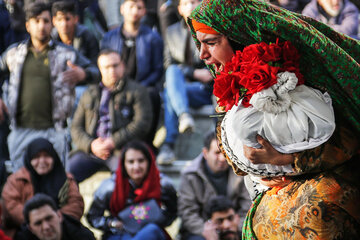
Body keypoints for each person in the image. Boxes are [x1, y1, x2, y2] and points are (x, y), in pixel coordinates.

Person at [188, 0, 360, 238]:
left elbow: (349, 139)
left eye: (211, 43)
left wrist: (285, 159)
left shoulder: (297, 74)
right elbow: (236, 150)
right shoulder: (229, 86)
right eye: (199, 44)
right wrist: (261, 169)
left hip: (331, 183)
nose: (202, 54)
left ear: (238, 37)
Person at [0, 1, 100, 171]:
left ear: (51, 23)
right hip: (21, 130)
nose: (42, 26)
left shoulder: (65, 53)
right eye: (36, 21)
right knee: (21, 181)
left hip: (54, 130)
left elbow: (97, 72)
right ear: (28, 25)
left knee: (58, 182)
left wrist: (84, 74)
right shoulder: (13, 54)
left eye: (46, 21)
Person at [69, 49, 153, 183]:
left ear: (123, 66)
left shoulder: (138, 91)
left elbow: (142, 124)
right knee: (66, 175)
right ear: (100, 69)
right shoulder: (89, 93)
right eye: (107, 67)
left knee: (125, 178)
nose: (112, 70)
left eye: (115, 65)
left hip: (122, 150)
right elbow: (75, 128)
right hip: (91, 151)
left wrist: (113, 141)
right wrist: (91, 145)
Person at [156, 0, 214, 165]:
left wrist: (206, 73)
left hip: (205, 89)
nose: (192, 6)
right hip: (182, 85)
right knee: (172, 72)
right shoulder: (172, 31)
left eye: (195, 2)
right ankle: (184, 115)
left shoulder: (211, 29)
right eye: (187, 3)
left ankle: (168, 145)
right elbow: (168, 64)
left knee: (169, 93)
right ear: (180, 9)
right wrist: (193, 72)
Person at [100, 0, 164, 148]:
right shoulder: (109, 37)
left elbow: (158, 70)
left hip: (142, 85)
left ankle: (148, 145)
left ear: (144, 11)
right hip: (115, 85)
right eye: (131, 7)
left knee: (152, 94)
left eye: (139, 7)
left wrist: (140, 87)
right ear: (122, 9)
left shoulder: (153, 38)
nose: (134, 11)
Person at [86, 140, 177, 240]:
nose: (136, 166)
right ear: (123, 164)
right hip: (119, 234)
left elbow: (173, 212)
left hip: (148, 234)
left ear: (149, 162)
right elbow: (93, 217)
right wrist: (112, 223)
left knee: (152, 230)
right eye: (131, 162)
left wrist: (155, 217)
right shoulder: (110, 187)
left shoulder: (162, 184)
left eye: (141, 161)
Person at [1, 138, 84, 237]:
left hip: (60, 228)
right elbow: (11, 205)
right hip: (25, 229)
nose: (42, 161)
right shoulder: (16, 180)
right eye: (36, 157)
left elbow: (75, 204)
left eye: (46, 156)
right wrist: (36, 221)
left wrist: (52, 221)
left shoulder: (66, 179)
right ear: (29, 159)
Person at [178, 131, 251, 240]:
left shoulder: (241, 172)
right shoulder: (190, 175)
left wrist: (235, 226)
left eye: (225, 153)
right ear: (205, 153)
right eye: (217, 153)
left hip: (234, 226)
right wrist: (206, 230)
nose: (222, 158)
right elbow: (187, 212)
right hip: (202, 230)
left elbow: (247, 205)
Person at [15, 193, 95, 240]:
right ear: (30, 228)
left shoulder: (82, 236)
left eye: (49, 218)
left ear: (59, 216)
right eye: (38, 223)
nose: (46, 226)